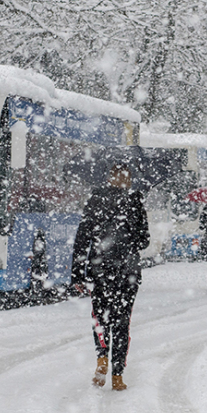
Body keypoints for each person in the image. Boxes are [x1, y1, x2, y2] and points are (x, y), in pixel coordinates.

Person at [71, 163, 150, 391]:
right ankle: (117, 375)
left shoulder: (96, 199)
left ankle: (102, 356)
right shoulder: (135, 201)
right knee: (122, 323)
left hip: (100, 269)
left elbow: (82, 238)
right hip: (128, 273)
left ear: (109, 178)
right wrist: (129, 238)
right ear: (128, 180)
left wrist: (77, 272)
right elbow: (144, 240)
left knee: (100, 317)